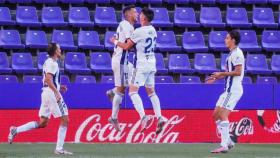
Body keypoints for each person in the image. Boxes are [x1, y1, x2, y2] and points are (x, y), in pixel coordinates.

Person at [8, 43, 72, 155]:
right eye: (59, 49)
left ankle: (15, 130)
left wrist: (58, 86)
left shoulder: (48, 62)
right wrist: (56, 91)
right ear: (55, 51)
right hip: (52, 94)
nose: (60, 50)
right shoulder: (53, 63)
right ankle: (59, 148)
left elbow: (47, 79)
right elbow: (48, 79)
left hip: (46, 93)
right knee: (65, 119)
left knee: (43, 123)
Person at [110, 7, 167, 134]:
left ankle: (143, 117)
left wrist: (114, 41)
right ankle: (159, 116)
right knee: (151, 92)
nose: (138, 14)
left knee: (132, 92)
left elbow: (126, 46)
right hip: (151, 64)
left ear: (143, 18)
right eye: (136, 12)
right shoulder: (153, 30)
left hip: (140, 65)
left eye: (139, 13)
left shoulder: (138, 31)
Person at [206, 30, 245, 153]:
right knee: (215, 115)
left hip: (233, 90)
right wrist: (216, 77)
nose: (225, 40)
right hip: (227, 89)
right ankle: (229, 142)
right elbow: (229, 73)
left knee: (223, 114)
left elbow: (238, 72)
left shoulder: (237, 53)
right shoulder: (231, 54)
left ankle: (224, 145)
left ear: (233, 40)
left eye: (227, 38)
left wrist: (221, 73)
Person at [106, 5, 139, 131]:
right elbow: (126, 46)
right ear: (128, 14)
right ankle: (113, 117)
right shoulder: (126, 25)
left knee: (131, 83)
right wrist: (114, 41)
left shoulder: (128, 26)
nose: (137, 14)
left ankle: (112, 92)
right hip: (120, 60)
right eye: (135, 12)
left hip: (124, 61)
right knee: (122, 89)